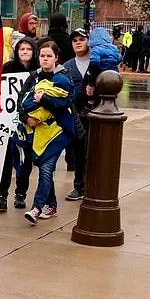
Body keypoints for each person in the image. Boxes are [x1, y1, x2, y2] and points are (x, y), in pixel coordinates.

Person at [16, 41, 78, 225]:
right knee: (44, 168)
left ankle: (36, 208)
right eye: (42, 55)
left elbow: (66, 102)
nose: (45, 59)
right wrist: (26, 118)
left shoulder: (64, 77)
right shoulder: (34, 78)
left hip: (58, 132)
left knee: (46, 168)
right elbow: (22, 101)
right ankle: (51, 205)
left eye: (49, 56)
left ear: (56, 58)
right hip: (36, 132)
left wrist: (45, 98)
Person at [0, 36, 38, 211]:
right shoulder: (8, 68)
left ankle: (21, 193)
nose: (25, 52)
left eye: (28, 49)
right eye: (22, 49)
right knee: (5, 159)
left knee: (26, 159)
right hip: (8, 121)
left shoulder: (38, 70)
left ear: (33, 51)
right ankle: (1, 195)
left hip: (29, 122)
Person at [62, 28, 90, 199]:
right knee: (78, 153)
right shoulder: (67, 67)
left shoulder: (97, 62)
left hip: (96, 116)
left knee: (94, 153)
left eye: (82, 39)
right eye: (75, 40)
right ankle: (79, 186)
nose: (78, 42)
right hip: (76, 117)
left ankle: (93, 185)